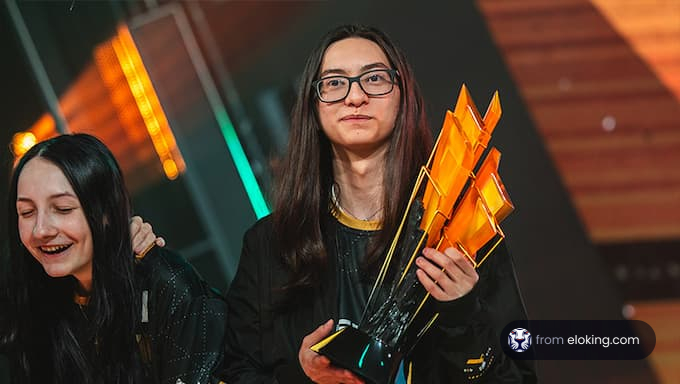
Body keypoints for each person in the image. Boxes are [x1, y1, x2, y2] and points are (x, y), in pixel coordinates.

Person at [219, 24, 536, 383]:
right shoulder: (271, 246)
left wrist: (462, 316)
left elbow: (520, 377)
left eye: (374, 78)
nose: (355, 98)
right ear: (313, 107)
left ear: (403, 95)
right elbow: (233, 373)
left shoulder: (462, 233)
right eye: (335, 83)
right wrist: (303, 377)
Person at [0, 133, 226, 384]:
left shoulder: (164, 284)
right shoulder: (31, 298)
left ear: (106, 211)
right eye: (27, 212)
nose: (41, 230)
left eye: (63, 209)